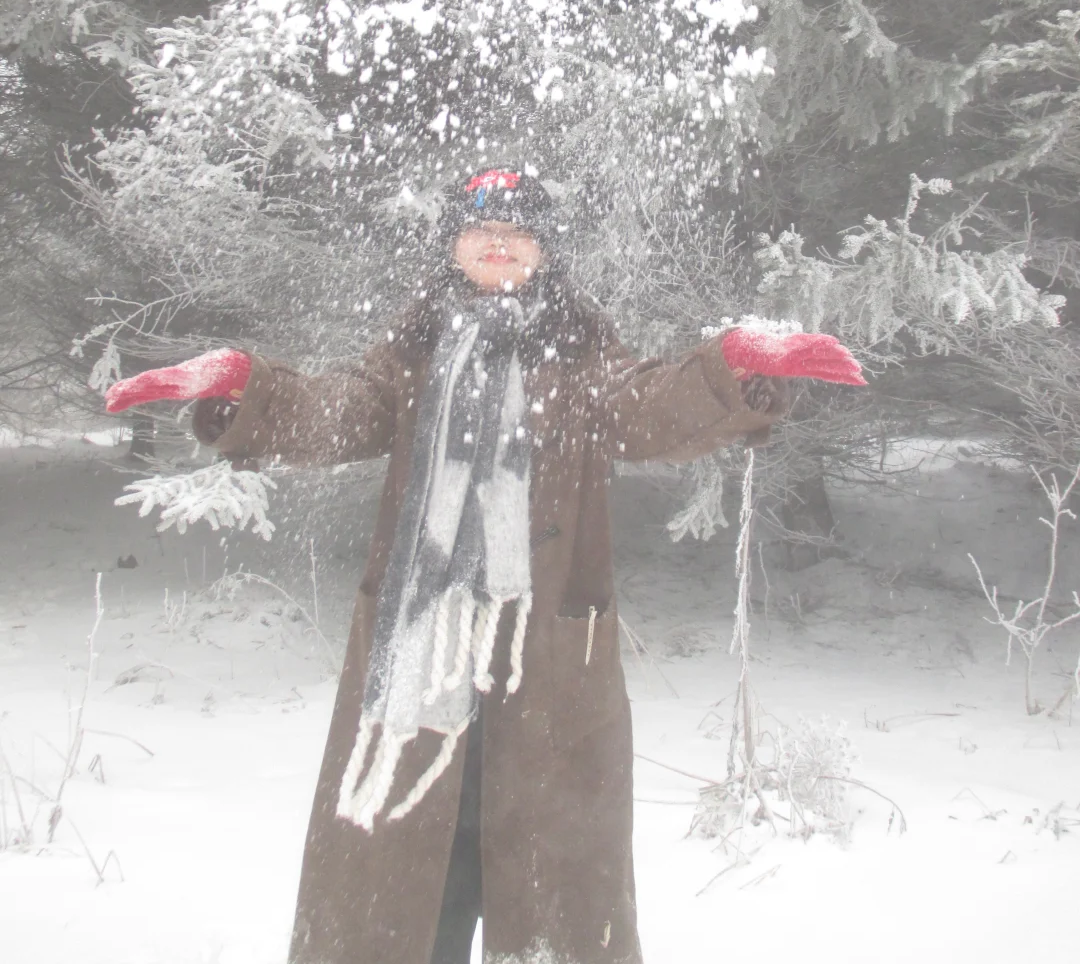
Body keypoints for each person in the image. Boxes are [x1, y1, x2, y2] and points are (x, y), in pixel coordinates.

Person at [106, 168, 864, 964]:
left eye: (518, 233)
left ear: (545, 251)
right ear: (454, 248)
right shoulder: (414, 346)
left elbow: (645, 409)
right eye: (480, 232)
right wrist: (250, 394)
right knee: (397, 891)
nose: (498, 245)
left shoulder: (581, 352)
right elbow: (340, 411)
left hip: (537, 663)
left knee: (545, 894)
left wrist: (729, 371)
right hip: (420, 654)